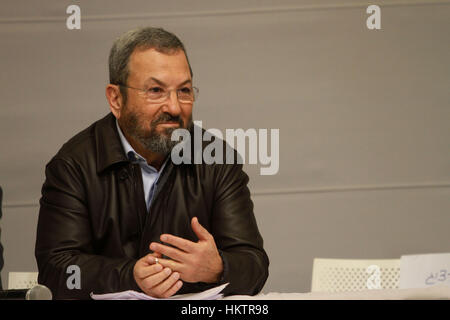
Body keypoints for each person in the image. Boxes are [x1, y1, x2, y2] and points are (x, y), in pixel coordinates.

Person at [35, 27, 269, 299]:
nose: (174, 107)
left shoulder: (217, 160)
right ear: (116, 98)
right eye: (156, 90)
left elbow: (254, 264)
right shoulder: (73, 166)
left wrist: (218, 268)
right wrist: (129, 276)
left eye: (184, 90)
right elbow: (56, 270)